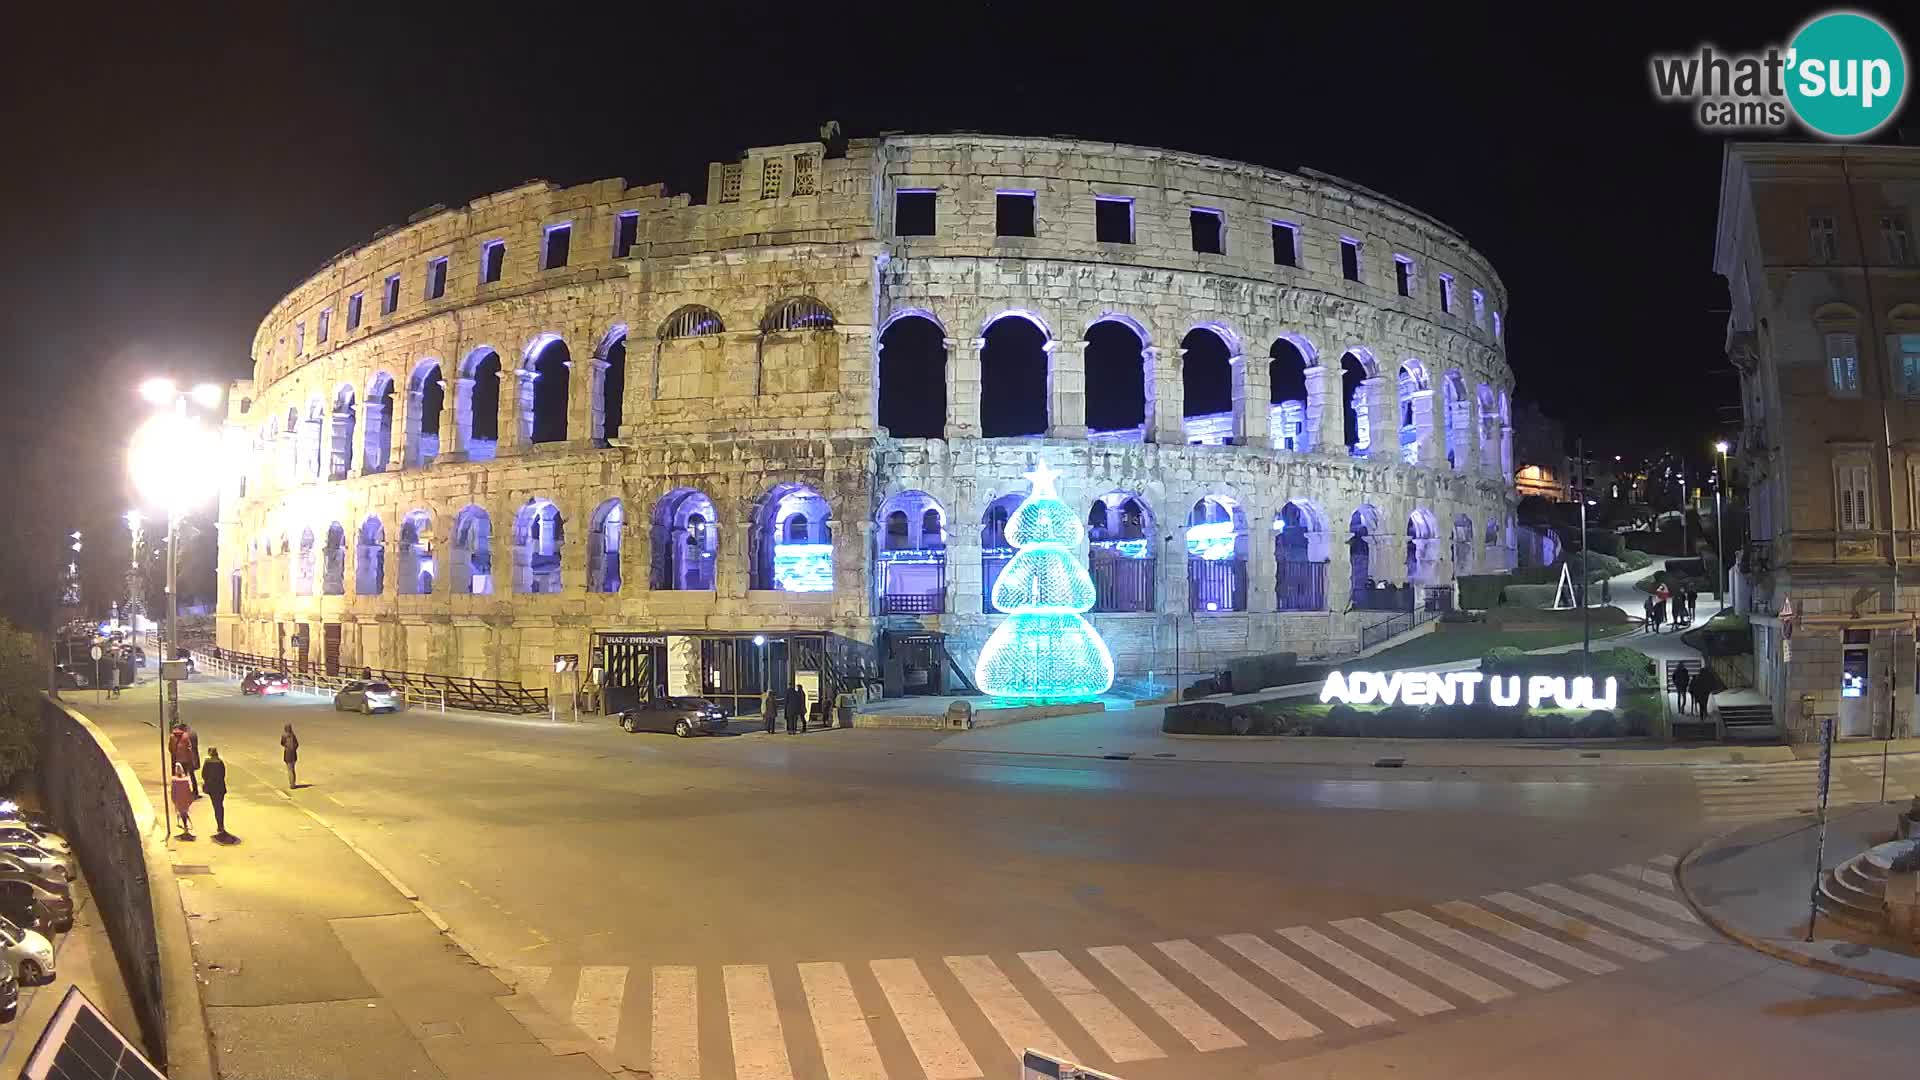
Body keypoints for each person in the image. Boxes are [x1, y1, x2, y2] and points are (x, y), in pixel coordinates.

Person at [202, 748, 229, 837]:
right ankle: (221, 824)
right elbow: (223, 774)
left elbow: (204, 775)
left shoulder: (207, 763)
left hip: (212, 788)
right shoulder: (220, 762)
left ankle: (219, 825)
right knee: (220, 805)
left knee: (216, 806)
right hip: (220, 787)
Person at [170, 761, 195, 837]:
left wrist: (173, 799)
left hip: (179, 799)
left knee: (182, 812)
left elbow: (173, 792)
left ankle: (185, 826)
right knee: (184, 812)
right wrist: (190, 799)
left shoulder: (174, 780)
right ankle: (185, 825)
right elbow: (189, 790)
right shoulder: (186, 779)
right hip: (185, 799)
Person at [280, 723, 300, 789]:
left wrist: (286, 746)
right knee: (293, 769)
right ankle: (293, 783)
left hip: (288, 754)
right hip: (294, 754)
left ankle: (292, 784)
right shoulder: (293, 735)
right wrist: (294, 749)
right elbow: (297, 744)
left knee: (290, 770)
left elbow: (282, 743)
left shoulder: (284, 735)